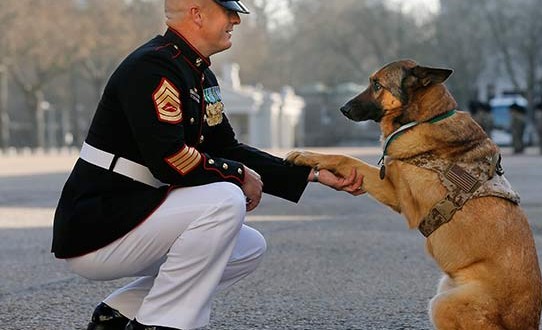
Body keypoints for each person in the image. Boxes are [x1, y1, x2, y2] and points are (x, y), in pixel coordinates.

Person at [52, 1, 364, 329]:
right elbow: (170, 160)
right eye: (227, 11)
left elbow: (226, 147)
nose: (236, 20)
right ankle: (163, 323)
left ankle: (120, 313)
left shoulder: (197, 71)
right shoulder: (152, 67)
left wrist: (312, 173)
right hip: (99, 225)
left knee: (247, 248)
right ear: (197, 13)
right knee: (224, 200)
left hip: (135, 214)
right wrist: (238, 175)